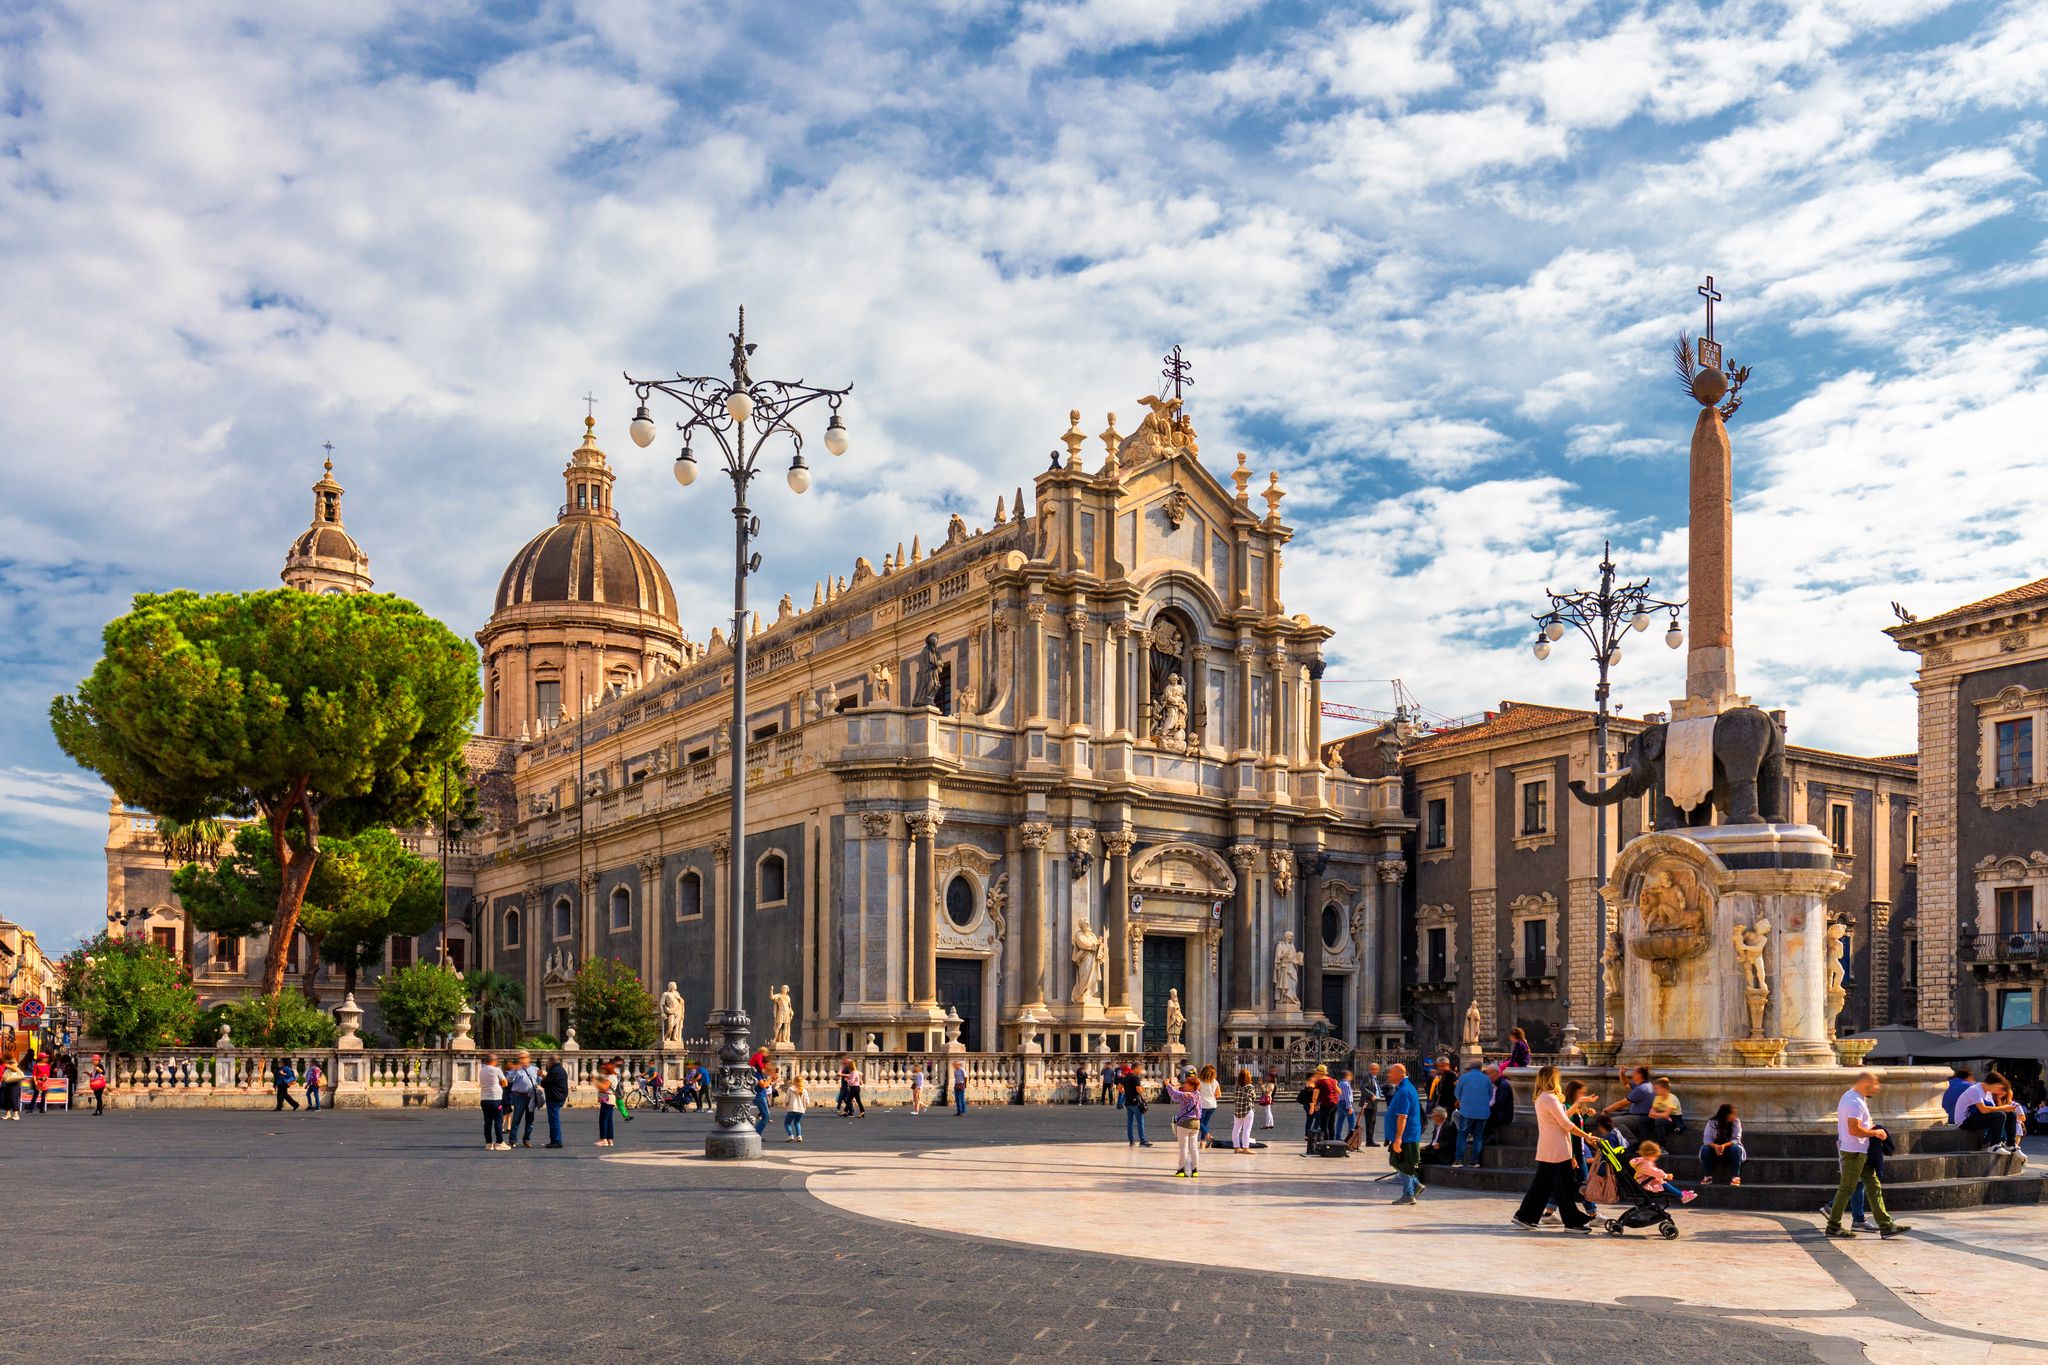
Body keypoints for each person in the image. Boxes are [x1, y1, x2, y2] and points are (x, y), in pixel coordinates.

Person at [1512, 1065, 1595, 1232]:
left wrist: (1578, 1103)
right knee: (1563, 1186)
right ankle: (1572, 1222)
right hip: (1558, 1149)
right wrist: (1587, 1137)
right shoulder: (1551, 1099)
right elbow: (1565, 1123)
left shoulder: (1543, 1097)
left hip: (1548, 1148)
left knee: (1541, 1186)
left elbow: (1563, 1118)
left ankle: (1524, 1216)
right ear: (1553, 1079)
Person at [1826, 1072, 1907, 1240]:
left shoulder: (1851, 1096)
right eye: (1874, 1086)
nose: (1876, 1089)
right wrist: (1875, 1132)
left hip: (1861, 1151)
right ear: (1865, 1084)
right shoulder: (1855, 1102)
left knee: (1873, 1186)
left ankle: (1886, 1226)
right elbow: (1853, 1129)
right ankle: (1833, 1226)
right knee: (1847, 1188)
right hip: (1853, 1151)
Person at [1383, 1062, 1424, 1206]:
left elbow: (1402, 1116)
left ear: (1400, 1073)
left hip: (1406, 1136)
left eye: (1391, 1073)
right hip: (1404, 1135)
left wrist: (1399, 1137)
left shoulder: (1405, 1090)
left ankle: (1409, 1194)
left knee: (1403, 1164)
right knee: (1397, 1163)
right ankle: (1415, 1185)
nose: (1388, 1075)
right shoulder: (1403, 1088)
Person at [1954, 1071, 2021, 1153]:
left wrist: (2004, 1108)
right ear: (1993, 1084)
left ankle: (2010, 1144)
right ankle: (1994, 1145)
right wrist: (2003, 1108)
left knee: (2011, 1114)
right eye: (1999, 1087)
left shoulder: (1988, 1093)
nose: (1998, 1091)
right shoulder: (1975, 1089)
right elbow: (1983, 1109)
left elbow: (1993, 1109)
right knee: (2000, 1114)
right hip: (1965, 1121)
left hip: (1976, 1116)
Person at [1161, 1070, 1204, 1177]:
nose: (1184, 1085)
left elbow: (1175, 1094)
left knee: (1183, 1147)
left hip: (1184, 1123)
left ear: (1192, 1086)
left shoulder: (1187, 1095)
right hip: (1196, 1123)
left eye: (1186, 1084)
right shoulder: (1198, 1095)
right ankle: (1195, 1170)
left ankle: (1181, 1170)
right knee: (1194, 1147)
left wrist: (1167, 1084)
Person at [1454, 1059, 1493, 1167]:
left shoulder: (1464, 1077)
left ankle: (1459, 1160)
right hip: (1483, 1112)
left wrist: (1463, 1100)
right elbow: (1490, 1095)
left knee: (1462, 1134)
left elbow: (1457, 1093)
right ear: (1481, 1068)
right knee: (1478, 1136)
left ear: (1470, 1068)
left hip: (1467, 1111)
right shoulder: (1487, 1079)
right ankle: (1475, 1161)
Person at [1629, 1141, 1697, 1203]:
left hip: (1646, 1181)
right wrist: (1665, 1175)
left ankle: (1681, 1193)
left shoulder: (1643, 1162)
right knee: (1665, 1185)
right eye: (1655, 1156)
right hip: (1646, 1184)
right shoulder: (1646, 1164)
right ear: (1650, 1154)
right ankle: (1682, 1196)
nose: (1656, 1158)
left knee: (1665, 1184)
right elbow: (1655, 1172)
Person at [1602, 1066, 1654, 1142]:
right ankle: (1608, 1141)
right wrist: (1621, 1073)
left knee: (1610, 1121)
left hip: (1639, 1117)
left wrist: (1606, 1110)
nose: (1632, 1075)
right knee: (1605, 1118)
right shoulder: (1646, 1085)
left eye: (1634, 1073)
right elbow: (1626, 1084)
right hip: (1634, 1114)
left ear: (1640, 1075)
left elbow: (1621, 1104)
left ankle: (1632, 1141)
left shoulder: (1641, 1089)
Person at [1700, 1103, 1745, 1185]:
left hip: (1729, 1149)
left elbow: (1736, 1139)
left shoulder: (1736, 1122)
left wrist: (1723, 1146)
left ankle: (1735, 1177)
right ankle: (1707, 1177)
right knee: (1705, 1149)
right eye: (1732, 1114)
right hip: (1714, 1149)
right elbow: (1706, 1139)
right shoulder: (1712, 1122)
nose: (1735, 1116)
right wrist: (1716, 1146)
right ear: (1726, 1114)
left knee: (1735, 1148)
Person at [506, 1052, 537, 1148]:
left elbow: (539, 1080)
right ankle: (512, 1140)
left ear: (528, 1058)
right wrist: (514, 1070)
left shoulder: (535, 1069)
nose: (521, 1059)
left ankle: (527, 1139)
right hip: (519, 1096)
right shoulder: (516, 1069)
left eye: (523, 1057)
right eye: (520, 1058)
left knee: (530, 1119)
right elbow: (509, 1079)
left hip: (531, 1096)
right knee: (516, 1119)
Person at [479, 1053, 507, 1150]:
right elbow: (505, 1082)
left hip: (484, 1098)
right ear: (495, 1061)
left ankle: (488, 1142)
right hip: (495, 1098)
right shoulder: (496, 1070)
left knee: (487, 1122)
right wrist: (499, 1085)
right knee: (498, 1121)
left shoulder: (482, 1070)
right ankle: (499, 1142)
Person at [1118, 1064, 1152, 1146]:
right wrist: (1142, 1089)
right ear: (1136, 1068)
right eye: (1140, 1068)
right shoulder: (1136, 1077)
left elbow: (1119, 1087)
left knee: (1130, 1122)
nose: (1141, 1070)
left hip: (1128, 1102)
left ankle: (1131, 1141)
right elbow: (1138, 1090)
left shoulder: (1126, 1077)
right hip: (1136, 1102)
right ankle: (1142, 1141)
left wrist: (1126, 1092)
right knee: (1140, 1121)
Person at [541, 1053, 570, 1148]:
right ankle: (555, 1140)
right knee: (554, 1119)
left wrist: (542, 1077)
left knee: (554, 1120)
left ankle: (556, 1140)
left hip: (554, 1097)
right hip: (560, 1096)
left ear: (551, 1061)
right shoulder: (561, 1070)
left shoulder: (554, 1071)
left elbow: (545, 1083)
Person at [1644, 1076, 1683, 1144]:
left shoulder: (1672, 1098)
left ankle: (1663, 1146)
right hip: (1663, 1118)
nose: (1654, 1090)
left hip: (1674, 1119)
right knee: (1642, 1120)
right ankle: (1644, 1143)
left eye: (1656, 1089)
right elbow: (1650, 1114)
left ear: (1664, 1089)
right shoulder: (1657, 1097)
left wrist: (1663, 1115)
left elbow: (1666, 1114)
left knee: (1659, 1121)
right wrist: (1663, 1116)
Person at [1487, 1064, 1517, 1144]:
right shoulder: (1495, 1085)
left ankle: (1489, 1137)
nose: (1488, 1076)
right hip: (1498, 1112)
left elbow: (1499, 1104)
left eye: (1490, 1073)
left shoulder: (1503, 1085)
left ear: (1497, 1073)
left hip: (1504, 1115)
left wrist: (1487, 1111)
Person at [1229, 1067, 1256, 1153]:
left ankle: (1236, 1147)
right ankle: (1245, 1148)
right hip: (1247, 1110)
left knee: (1236, 1129)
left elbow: (1234, 1097)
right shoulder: (1250, 1087)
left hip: (1237, 1110)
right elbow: (1254, 1097)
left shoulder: (1236, 1087)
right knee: (1247, 1129)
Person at [1357, 1063, 1383, 1146]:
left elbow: (1376, 1088)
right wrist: (1371, 1095)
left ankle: (1370, 1140)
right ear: (1370, 1069)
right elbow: (1362, 1087)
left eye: (1377, 1069)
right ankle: (1369, 1141)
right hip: (1369, 1103)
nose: (1376, 1070)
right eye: (1374, 1069)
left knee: (1373, 1122)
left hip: (1374, 1102)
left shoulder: (1374, 1078)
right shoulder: (1367, 1077)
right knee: (1370, 1122)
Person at [1195, 1065, 1220, 1145]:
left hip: (1202, 1105)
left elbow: (1195, 1092)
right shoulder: (1215, 1082)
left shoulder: (1199, 1081)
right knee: (1204, 1123)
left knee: (1198, 1122)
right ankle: (1202, 1141)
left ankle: (1208, 1136)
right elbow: (1218, 1095)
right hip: (1212, 1105)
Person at [594, 1063, 617, 1147]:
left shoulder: (610, 1077)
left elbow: (604, 1088)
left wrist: (595, 1082)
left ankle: (603, 1139)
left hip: (607, 1099)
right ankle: (609, 1139)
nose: (601, 1070)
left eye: (603, 1069)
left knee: (603, 1119)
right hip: (609, 1099)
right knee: (609, 1120)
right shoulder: (612, 1077)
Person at [782, 1072, 808, 1143]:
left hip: (792, 1108)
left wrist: (785, 1104)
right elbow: (807, 1101)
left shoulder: (790, 1089)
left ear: (794, 1081)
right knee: (797, 1122)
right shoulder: (804, 1090)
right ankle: (799, 1136)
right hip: (801, 1110)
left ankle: (790, 1135)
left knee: (787, 1123)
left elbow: (787, 1099)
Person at [754, 1062, 776, 1136]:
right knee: (766, 1117)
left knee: (765, 1116)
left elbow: (765, 1086)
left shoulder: (760, 1074)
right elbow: (763, 1085)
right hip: (759, 1096)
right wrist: (771, 1078)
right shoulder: (757, 1074)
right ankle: (756, 1134)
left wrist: (772, 1081)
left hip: (761, 1095)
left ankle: (757, 1133)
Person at [0, 1054, 23, 1119]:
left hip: (15, 1083)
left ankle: (16, 1114)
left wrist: (8, 1066)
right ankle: (8, 1114)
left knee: (13, 1098)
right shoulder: (5, 1065)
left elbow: (15, 1069)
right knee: (6, 1098)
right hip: (7, 1083)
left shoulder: (14, 1063)